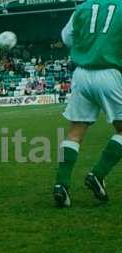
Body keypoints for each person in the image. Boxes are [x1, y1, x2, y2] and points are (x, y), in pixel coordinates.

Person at [53, 0, 122, 207]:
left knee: (75, 131)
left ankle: (61, 184)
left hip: (81, 75)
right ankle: (97, 174)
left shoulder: (82, 8)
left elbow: (66, 38)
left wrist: (90, 45)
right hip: (110, 72)